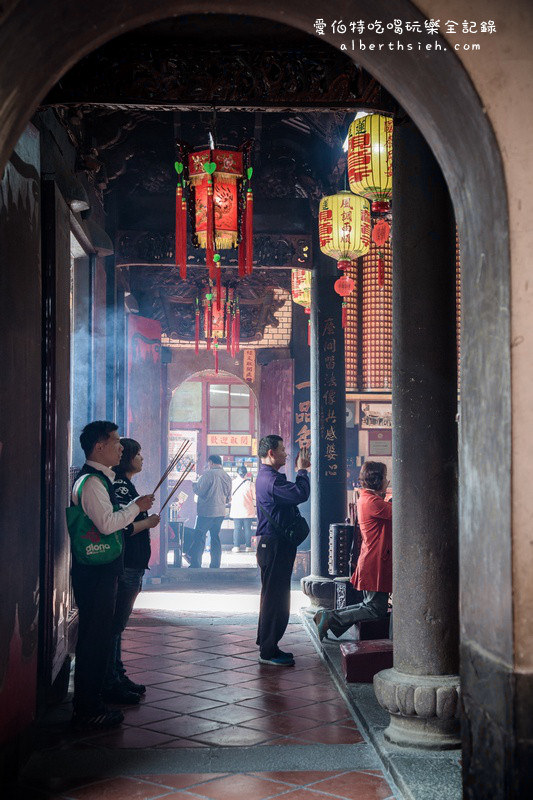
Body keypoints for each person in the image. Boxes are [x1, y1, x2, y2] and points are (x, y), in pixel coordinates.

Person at [70, 421, 154, 729]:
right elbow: (107, 524)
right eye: (116, 441)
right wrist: (136, 507)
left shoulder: (101, 479)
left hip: (101, 569)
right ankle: (87, 709)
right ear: (99, 447)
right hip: (94, 571)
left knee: (100, 637)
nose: (121, 447)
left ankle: (95, 699)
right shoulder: (92, 482)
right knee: (94, 640)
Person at [102, 438, 160, 703]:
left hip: (130, 563)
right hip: (127, 563)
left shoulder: (123, 484)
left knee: (116, 625)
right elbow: (123, 527)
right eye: (138, 454)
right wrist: (147, 521)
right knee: (115, 625)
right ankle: (111, 680)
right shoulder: (121, 485)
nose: (141, 458)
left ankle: (116, 673)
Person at [314, 461, 392, 642]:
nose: (387, 481)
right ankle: (330, 617)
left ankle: (328, 616)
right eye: (385, 477)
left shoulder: (366, 497)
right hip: (376, 561)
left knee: (369, 605)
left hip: (372, 558)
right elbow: (400, 512)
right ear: (378, 480)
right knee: (375, 609)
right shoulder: (373, 501)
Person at [255, 435, 310, 666]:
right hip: (275, 544)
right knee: (275, 598)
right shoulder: (272, 481)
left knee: (273, 596)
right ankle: (268, 650)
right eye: (283, 450)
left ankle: (268, 645)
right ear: (271, 453)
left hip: (273, 544)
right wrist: (302, 471)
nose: (286, 454)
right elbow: (300, 494)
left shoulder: (269, 477)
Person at [186, 454, 232, 568]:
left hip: (207, 512)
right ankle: (215, 564)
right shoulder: (227, 476)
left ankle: (196, 563)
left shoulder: (208, 475)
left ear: (210, 462)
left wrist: (194, 485)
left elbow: (200, 491)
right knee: (215, 537)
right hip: (220, 512)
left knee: (199, 536)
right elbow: (228, 497)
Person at [230, 465, 256, 552]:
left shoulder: (232, 483)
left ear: (237, 473)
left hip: (236, 510)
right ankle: (248, 547)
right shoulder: (250, 484)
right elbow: (255, 497)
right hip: (248, 510)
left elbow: (229, 496)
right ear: (246, 474)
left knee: (237, 528)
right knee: (248, 529)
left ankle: (236, 546)